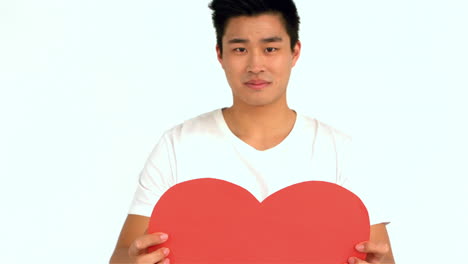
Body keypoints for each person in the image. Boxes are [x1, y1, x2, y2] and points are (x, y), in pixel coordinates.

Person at [110, 0, 395, 263]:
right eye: (240, 49)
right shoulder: (179, 145)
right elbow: (122, 255)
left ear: (294, 52)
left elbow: (383, 257)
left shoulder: (338, 150)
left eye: (270, 49)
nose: (255, 65)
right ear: (220, 54)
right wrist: (133, 260)